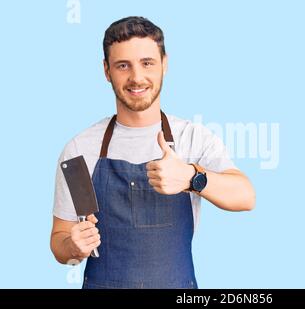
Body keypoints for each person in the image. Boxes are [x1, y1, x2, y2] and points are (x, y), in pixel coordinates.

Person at [50, 16, 255, 289]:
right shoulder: (79, 149)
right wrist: (73, 247)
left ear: (164, 65)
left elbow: (245, 196)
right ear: (106, 71)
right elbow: (60, 241)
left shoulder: (192, 138)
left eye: (147, 63)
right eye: (123, 66)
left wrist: (192, 178)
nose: (137, 77)